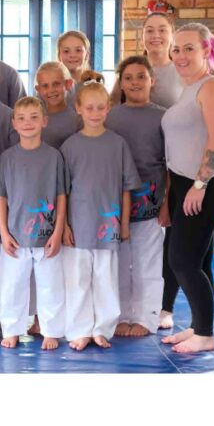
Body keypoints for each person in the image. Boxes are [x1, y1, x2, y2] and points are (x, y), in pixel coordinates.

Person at [160, 23, 214, 354]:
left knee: (182, 261)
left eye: (189, 48)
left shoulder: (212, 87)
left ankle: (205, 334)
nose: (180, 55)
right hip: (183, 186)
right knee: (198, 262)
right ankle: (198, 325)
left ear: (206, 50)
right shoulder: (187, 90)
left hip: (204, 186)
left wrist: (200, 183)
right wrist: (173, 195)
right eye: (176, 49)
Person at [61, 72, 140, 350]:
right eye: (89, 108)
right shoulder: (70, 146)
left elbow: (127, 187)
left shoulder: (118, 144)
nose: (95, 113)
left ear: (108, 108)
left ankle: (102, 328)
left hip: (109, 226)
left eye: (100, 107)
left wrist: (125, 224)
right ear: (78, 109)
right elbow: (63, 192)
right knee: (78, 280)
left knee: (106, 279)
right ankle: (80, 329)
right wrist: (65, 226)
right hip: (79, 226)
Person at [0, 97, 66, 351]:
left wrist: (58, 231)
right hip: (15, 236)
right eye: (22, 118)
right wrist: (4, 233)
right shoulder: (7, 158)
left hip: (46, 235)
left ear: (44, 121)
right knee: (12, 286)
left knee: (51, 286)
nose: (28, 123)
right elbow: (1, 197)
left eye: (34, 117)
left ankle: (51, 330)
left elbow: (61, 196)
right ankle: (12, 329)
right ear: (14, 123)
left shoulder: (54, 157)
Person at [107, 56, 166, 337]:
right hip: (115, 204)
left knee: (147, 263)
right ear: (120, 84)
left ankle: (146, 317)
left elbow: (170, 164)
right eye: (128, 78)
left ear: (152, 80)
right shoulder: (111, 117)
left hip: (151, 202)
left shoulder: (163, 117)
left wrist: (166, 204)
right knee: (118, 264)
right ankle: (120, 315)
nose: (134, 83)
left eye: (141, 76)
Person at [34, 61, 81, 149]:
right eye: (45, 86)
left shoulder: (77, 120)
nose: (51, 90)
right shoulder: (33, 119)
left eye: (56, 84)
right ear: (38, 89)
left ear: (68, 84)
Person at [56, 30, 91, 100]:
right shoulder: (49, 87)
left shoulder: (95, 87)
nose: (72, 55)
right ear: (59, 56)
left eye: (78, 50)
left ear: (87, 55)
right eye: (66, 51)